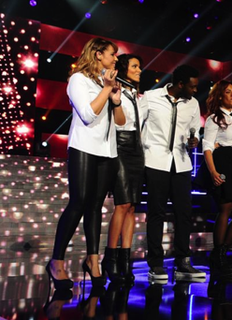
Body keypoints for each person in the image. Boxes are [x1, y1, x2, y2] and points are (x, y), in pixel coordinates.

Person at [46, 38, 125, 289]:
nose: (116, 59)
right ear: (98, 54)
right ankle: (56, 260)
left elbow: (120, 121)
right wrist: (106, 89)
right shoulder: (78, 79)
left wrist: (115, 97)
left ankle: (93, 260)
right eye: (112, 54)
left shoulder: (108, 83)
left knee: (95, 207)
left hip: (107, 151)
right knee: (79, 202)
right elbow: (88, 115)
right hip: (83, 148)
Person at [141, 64, 205, 281]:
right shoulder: (151, 97)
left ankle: (183, 261)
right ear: (180, 84)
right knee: (156, 213)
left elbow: (195, 130)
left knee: (183, 213)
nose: (195, 91)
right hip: (155, 161)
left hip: (181, 163)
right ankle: (156, 264)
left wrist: (194, 141)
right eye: (192, 86)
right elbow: (137, 128)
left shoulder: (193, 104)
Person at [102, 54, 146, 283]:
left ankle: (125, 260)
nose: (140, 70)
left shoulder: (139, 97)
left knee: (132, 207)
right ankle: (109, 258)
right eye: (135, 66)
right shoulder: (113, 89)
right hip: (119, 145)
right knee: (122, 204)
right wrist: (117, 99)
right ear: (123, 69)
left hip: (137, 149)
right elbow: (119, 121)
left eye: (140, 67)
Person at [202, 80, 232, 275]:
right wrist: (213, 171)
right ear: (220, 96)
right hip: (221, 164)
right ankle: (219, 257)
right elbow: (207, 146)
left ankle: (219, 253)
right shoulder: (214, 118)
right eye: (227, 92)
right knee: (226, 207)